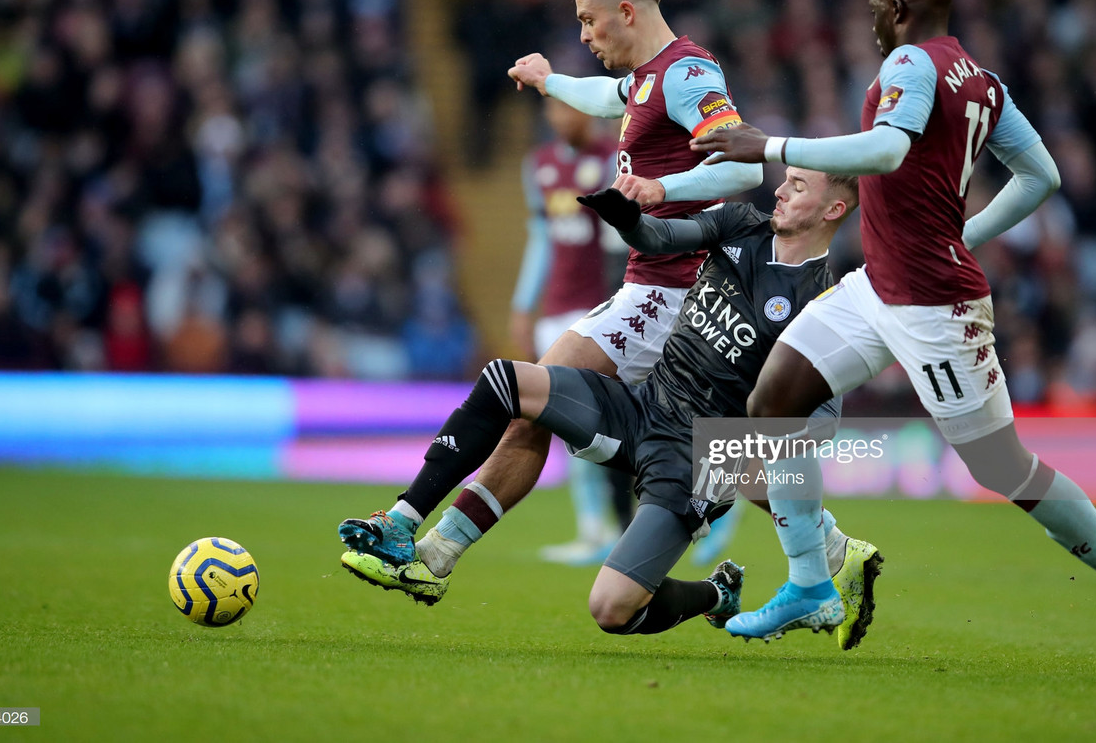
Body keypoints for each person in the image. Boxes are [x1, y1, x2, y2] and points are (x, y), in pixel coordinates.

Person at [690, 0, 1096, 675]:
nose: (871, 28)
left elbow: (888, 151)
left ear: (896, 10)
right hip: (878, 285)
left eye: (873, 13)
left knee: (1002, 466)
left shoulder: (909, 66)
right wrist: (967, 233)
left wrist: (772, 144)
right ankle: (810, 582)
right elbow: (1040, 175)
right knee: (772, 399)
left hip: (935, 304)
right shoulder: (981, 81)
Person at [340, 0, 765, 598]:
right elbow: (604, 96)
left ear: (626, 11)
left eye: (589, 21)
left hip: (674, 294)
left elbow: (744, 163)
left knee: (520, 389)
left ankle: (407, 523)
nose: (584, 34)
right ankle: (433, 553)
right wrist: (547, 81)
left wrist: (659, 186)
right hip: (651, 288)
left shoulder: (688, 76)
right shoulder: (651, 78)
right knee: (530, 408)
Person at [343, 167, 885, 648]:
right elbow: (660, 236)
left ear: (834, 209)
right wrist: (628, 222)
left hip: (692, 462)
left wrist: (737, 460)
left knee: (610, 609)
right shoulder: (744, 221)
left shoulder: (821, 304)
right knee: (505, 380)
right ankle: (403, 520)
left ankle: (716, 594)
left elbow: (821, 423)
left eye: (798, 185)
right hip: (643, 405)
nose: (782, 191)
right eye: (786, 178)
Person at [509, 98, 635, 565]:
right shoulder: (538, 165)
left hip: (598, 307)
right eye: (554, 112)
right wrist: (524, 305)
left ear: (589, 112)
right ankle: (592, 528)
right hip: (555, 311)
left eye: (570, 110)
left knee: (599, 421)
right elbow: (541, 239)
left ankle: (625, 524)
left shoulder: (612, 161)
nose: (562, 119)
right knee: (563, 425)